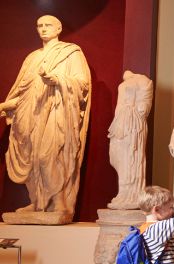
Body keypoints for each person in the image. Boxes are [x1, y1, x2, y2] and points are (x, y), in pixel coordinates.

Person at [0, 15, 91, 220]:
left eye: (48, 25)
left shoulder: (71, 53)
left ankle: (58, 202)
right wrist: (8, 106)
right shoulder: (32, 58)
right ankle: (39, 203)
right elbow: (23, 90)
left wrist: (56, 79)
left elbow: (82, 83)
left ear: (58, 28)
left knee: (47, 155)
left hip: (57, 112)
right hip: (31, 114)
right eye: (39, 26)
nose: (43, 29)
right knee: (33, 158)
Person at [108, 71, 154, 210]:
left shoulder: (142, 80)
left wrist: (142, 108)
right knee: (117, 157)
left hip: (133, 123)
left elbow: (146, 99)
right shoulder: (124, 84)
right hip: (120, 122)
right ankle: (123, 193)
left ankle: (132, 195)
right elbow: (119, 105)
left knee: (131, 158)